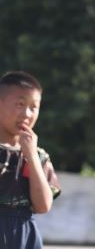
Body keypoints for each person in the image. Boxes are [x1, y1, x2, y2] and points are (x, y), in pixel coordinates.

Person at [0, 71, 61, 249]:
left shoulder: (38, 155)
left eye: (34, 107)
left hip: (25, 237)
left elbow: (43, 206)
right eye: (20, 104)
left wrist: (31, 156)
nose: (27, 114)